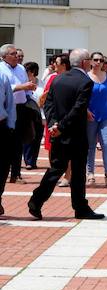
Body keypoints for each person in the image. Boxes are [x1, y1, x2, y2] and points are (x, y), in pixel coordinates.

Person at [28, 48, 104, 221]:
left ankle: (36, 201)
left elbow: (48, 104)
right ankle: (80, 208)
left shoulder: (58, 78)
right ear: (85, 62)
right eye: (90, 60)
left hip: (59, 134)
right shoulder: (85, 81)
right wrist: (60, 126)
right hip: (75, 134)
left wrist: (54, 124)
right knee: (78, 172)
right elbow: (78, 109)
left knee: (56, 169)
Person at [0, 44, 37, 184]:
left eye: (17, 53)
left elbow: (25, 86)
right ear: (4, 57)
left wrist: (29, 89)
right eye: (13, 54)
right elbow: (4, 87)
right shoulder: (1, 69)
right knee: (7, 142)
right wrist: (21, 87)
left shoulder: (21, 68)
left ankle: (16, 173)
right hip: (7, 109)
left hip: (22, 107)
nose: (17, 56)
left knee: (19, 142)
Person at [86, 52, 107, 187]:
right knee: (90, 146)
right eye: (96, 60)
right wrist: (86, 111)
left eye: (101, 60)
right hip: (90, 116)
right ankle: (90, 174)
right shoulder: (86, 77)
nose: (98, 62)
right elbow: (82, 98)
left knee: (106, 144)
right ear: (91, 61)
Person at [21, 61, 44, 170]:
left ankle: (33, 161)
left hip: (39, 114)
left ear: (33, 72)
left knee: (37, 138)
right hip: (27, 113)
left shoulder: (41, 83)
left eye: (27, 71)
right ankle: (28, 161)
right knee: (28, 137)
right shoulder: (23, 83)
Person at [0, 64, 14, 216]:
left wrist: (10, 126)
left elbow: (10, 104)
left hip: (1, 126)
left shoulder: (2, 77)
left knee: (3, 165)